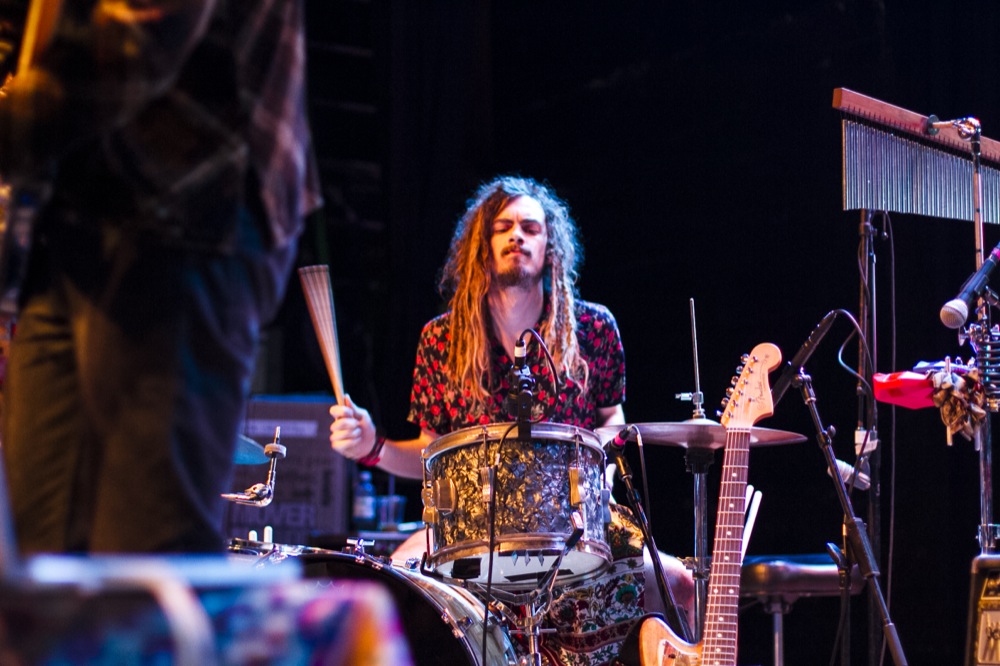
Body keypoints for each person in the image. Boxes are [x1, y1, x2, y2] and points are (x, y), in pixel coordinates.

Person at [0, 0, 321, 554]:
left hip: (184, 218)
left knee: (145, 552)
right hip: (70, 231)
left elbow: (137, 42)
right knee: (39, 561)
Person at [330, 175, 692, 665]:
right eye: (503, 227)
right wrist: (373, 446)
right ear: (484, 247)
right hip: (473, 527)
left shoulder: (593, 329)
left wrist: (594, 480)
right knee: (396, 584)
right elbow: (428, 454)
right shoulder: (442, 340)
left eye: (530, 228)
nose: (516, 236)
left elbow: (612, 419)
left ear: (550, 248)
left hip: (576, 521)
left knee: (680, 585)